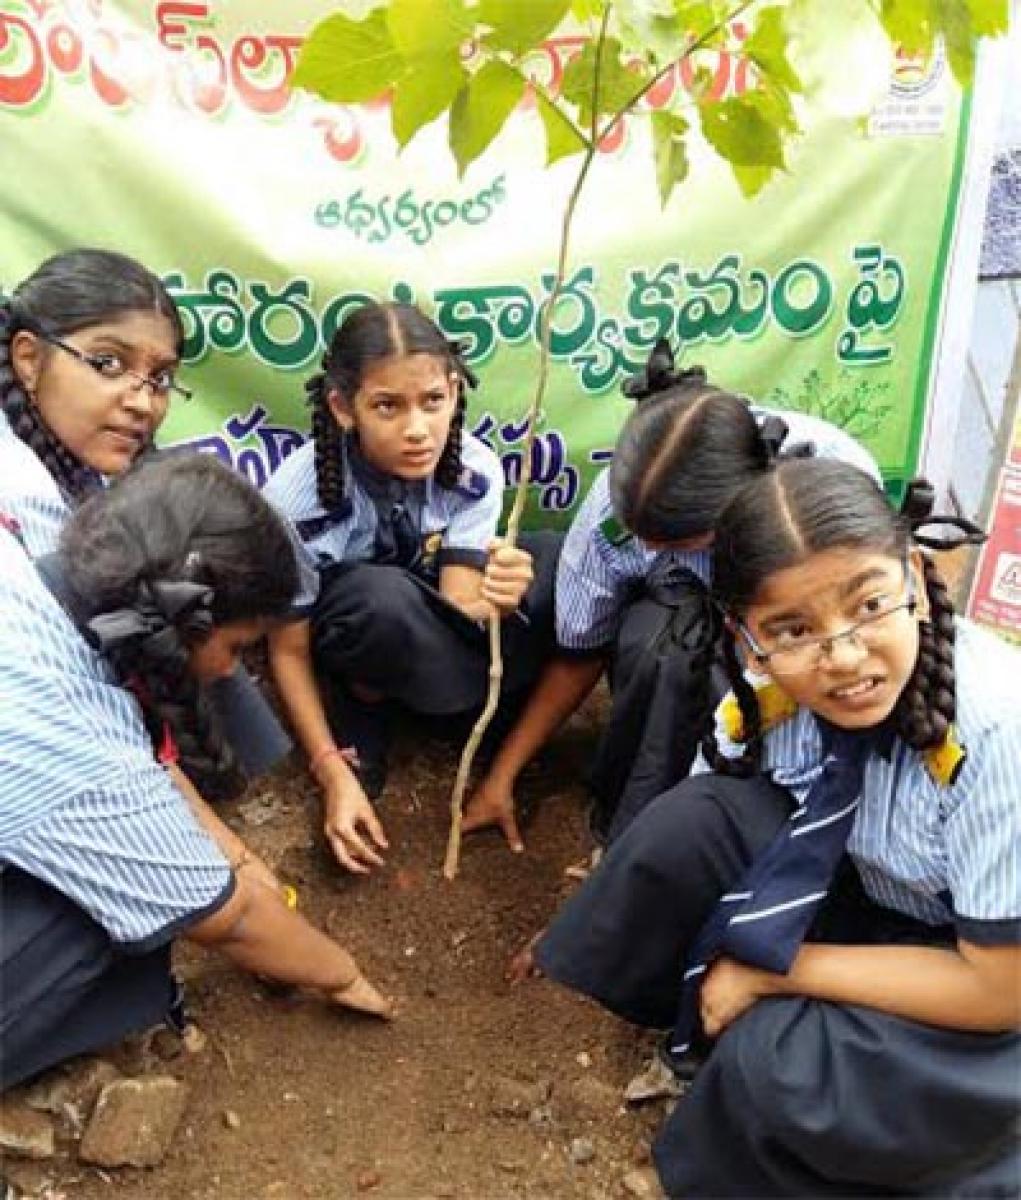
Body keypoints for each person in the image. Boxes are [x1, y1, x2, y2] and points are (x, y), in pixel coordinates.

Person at [533, 458, 1020, 1197]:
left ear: (916, 578)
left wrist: (769, 970)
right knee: (688, 828)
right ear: (746, 634)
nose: (843, 657)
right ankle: (693, 1031)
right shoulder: (771, 695)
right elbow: (705, 826)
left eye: (867, 606)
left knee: (777, 1058)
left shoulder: (995, 732)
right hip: (877, 906)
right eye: (791, 629)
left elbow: (996, 990)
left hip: (989, 982)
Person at [0, 455, 393, 1090]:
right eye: (236, 649)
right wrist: (343, 974)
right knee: (108, 919)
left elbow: (143, 761)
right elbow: (229, 920)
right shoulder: (75, 742)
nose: (226, 671)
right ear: (182, 619)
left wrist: (234, 855)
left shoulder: (30, 555)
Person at [464, 340, 881, 850]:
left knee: (734, 686)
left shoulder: (833, 489)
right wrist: (500, 777)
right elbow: (580, 655)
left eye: (674, 542)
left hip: (800, 647)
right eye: (639, 534)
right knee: (665, 648)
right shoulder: (613, 512)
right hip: (682, 622)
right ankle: (631, 822)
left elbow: (867, 631)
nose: (644, 545)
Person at [263, 300, 559, 875]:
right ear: (343, 408)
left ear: (454, 390)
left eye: (432, 401)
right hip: (365, 631)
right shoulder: (296, 499)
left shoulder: (475, 469)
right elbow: (288, 650)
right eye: (387, 407)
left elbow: (458, 602)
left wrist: (505, 596)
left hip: (426, 622)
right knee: (378, 598)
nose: (418, 429)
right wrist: (330, 769)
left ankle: (453, 713)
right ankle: (366, 709)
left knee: (549, 563)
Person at [0, 247, 292, 794]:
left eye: (160, 378)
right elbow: (69, 697)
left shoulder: (81, 452)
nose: (143, 402)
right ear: (29, 358)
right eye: (109, 364)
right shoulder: (18, 505)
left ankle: (225, 764)